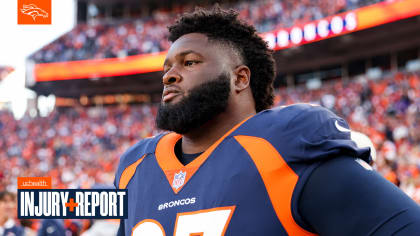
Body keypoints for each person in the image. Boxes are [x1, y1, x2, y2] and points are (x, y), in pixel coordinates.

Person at [114, 7, 420, 235]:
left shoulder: (285, 146)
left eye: (189, 62)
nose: (169, 75)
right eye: (166, 67)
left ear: (240, 78)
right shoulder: (134, 167)